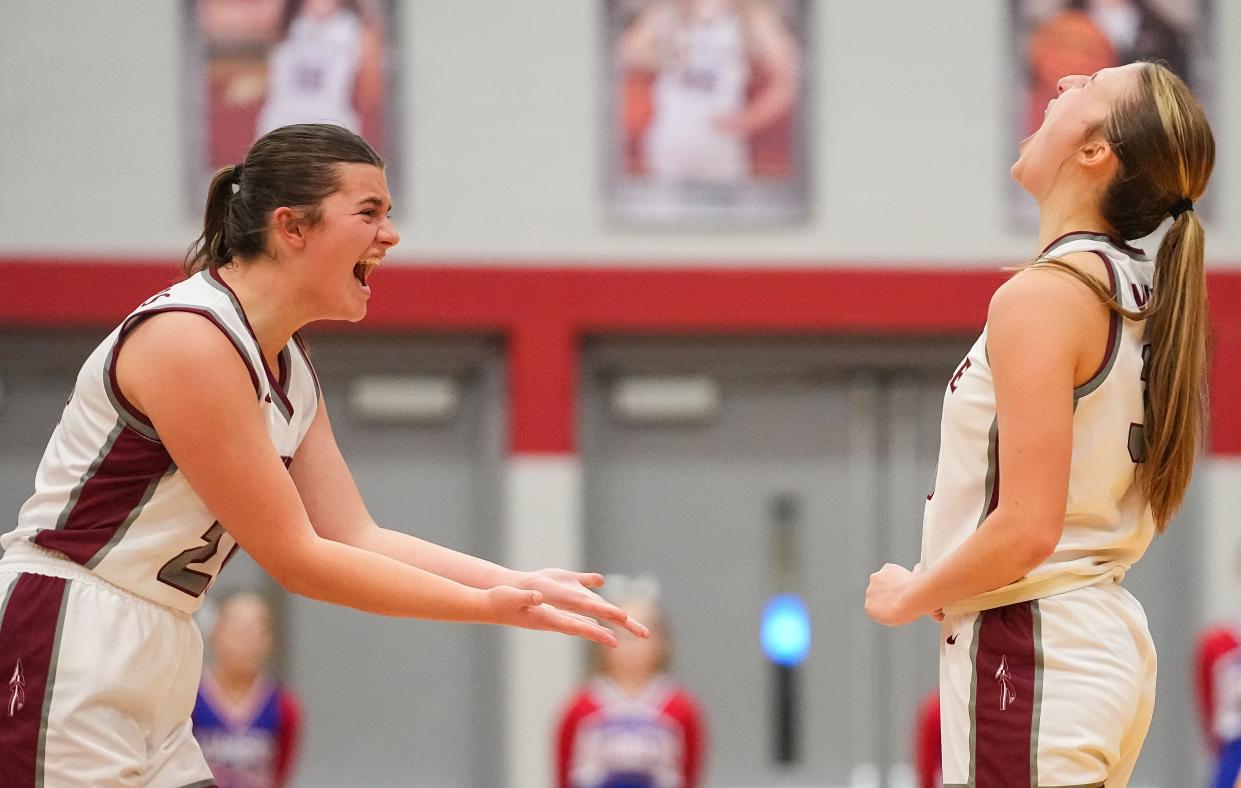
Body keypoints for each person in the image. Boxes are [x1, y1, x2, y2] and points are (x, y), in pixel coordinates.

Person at [0, 123, 647, 787]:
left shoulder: (288, 364)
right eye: (368, 212)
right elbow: (298, 559)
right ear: (292, 227)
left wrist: (509, 582)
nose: (389, 235)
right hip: (65, 628)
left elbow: (351, 533)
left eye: (388, 214)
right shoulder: (188, 339)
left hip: (158, 639)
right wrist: (484, 609)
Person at [865, 61, 1214, 786]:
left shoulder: (1046, 296)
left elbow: (1027, 527)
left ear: (1095, 152)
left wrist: (913, 592)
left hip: (1031, 643)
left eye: (1088, 87)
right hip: (1082, 639)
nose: (1063, 83)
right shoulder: (1129, 290)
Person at [615, 0, 800, 186]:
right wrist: (667, 59)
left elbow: (789, 79)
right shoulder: (667, 11)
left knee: (725, 207)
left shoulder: (751, 16)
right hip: (672, 137)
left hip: (722, 140)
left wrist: (750, 119)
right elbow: (625, 54)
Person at [556, 592, 706, 788]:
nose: (631, 646)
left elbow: (689, 773)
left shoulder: (681, 707)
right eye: (622, 635)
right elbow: (564, 773)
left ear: (662, 642)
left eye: (640, 635)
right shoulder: (581, 707)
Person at [193, 591, 301, 788]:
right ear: (215, 632)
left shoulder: (284, 706)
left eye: (255, 631)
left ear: (269, 640)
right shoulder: (188, 698)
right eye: (237, 629)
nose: (246, 640)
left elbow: (280, 775)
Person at [255, 0, 385, 138]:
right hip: (281, 127)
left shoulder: (357, 28)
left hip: (332, 128)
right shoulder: (282, 18)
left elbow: (369, 92)